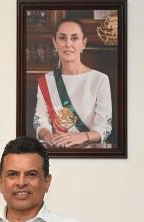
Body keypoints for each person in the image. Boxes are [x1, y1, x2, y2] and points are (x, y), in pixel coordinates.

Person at [33, 17, 113, 148]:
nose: (68, 44)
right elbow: (39, 120)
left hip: (90, 152)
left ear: (84, 43)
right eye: (62, 38)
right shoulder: (46, 80)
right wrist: (48, 136)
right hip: (57, 149)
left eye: (74, 38)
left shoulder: (100, 79)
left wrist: (81, 137)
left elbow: (104, 127)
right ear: (54, 42)